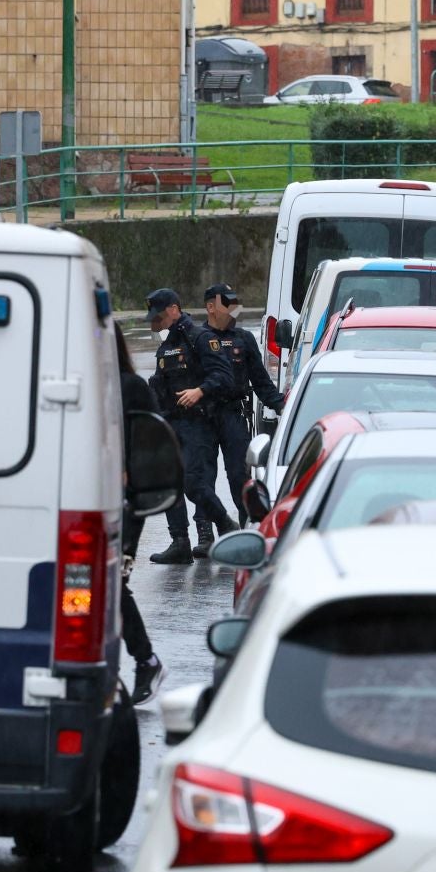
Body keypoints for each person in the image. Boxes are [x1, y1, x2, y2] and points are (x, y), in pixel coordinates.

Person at [144, 288, 240, 564]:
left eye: (160, 315)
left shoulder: (201, 338)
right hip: (171, 423)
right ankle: (180, 542)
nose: (158, 321)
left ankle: (225, 524)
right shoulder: (167, 345)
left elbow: (224, 376)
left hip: (198, 424)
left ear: (174, 309)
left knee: (193, 484)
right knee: (171, 483)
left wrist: (200, 390)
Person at [112, 324, 166, 702]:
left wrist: (129, 469)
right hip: (87, 497)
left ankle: (145, 659)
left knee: (114, 584)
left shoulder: (131, 387)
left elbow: (154, 440)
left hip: (127, 501)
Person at [201, 284, 285, 523]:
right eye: (228, 303)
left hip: (234, 414)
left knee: (240, 475)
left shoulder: (244, 339)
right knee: (204, 477)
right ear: (211, 307)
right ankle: (205, 534)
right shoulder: (198, 339)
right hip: (204, 417)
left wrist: (282, 405)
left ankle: (247, 527)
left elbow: (261, 381)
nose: (235, 308)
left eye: (235, 302)